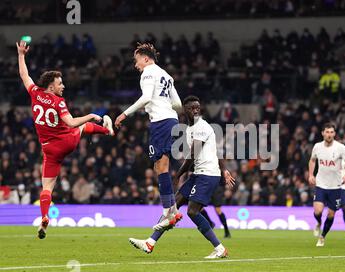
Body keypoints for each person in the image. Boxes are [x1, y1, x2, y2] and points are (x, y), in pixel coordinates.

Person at [16, 41, 114, 239]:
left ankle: (44, 218)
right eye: (60, 83)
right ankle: (107, 131)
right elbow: (70, 122)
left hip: (49, 148)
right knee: (79, 127)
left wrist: (21, 55)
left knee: (46, 187)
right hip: (65, 143)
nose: (64, 86)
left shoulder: (35, 93)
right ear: (51, 86)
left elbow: (24, 75)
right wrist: (91, 115)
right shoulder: (58, 101)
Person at [129, 96, 235, 258]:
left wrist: (177, 176)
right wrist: (225, 169)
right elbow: (215, 151)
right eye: (192, 108)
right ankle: (150, 242)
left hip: (207, 175)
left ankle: (220, 248)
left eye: (197, 108)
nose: (195, 110)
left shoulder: (201, 127)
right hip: (199, 174)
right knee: (173, 206)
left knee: (192, 212)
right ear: (185, 110)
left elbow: (193, 156)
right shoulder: (189, 129)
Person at [114, 43, 183, 229]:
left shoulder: (148, 73)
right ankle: (173, 210)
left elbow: (145, 98)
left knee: (161, 167)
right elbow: (177, 104)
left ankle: (168, 211)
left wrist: (124, 114)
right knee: (161, 165)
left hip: (160, 122)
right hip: (172, 120)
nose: (136, 65)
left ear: (145, 59)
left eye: (136, 61)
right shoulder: (166, 75)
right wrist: (162, 104)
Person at [308, 123, 345, 247]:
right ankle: (318, 223)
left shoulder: (340, 148)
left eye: (332, 132)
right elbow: (312, 160)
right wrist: (311, 175)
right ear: (323, 133)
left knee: (331, 214)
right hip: (321, 184)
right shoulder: (317, 147)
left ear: (334, 134)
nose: (329, 134)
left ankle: (322, 237)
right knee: (317, 211)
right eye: (327, 132)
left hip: (335, 186)